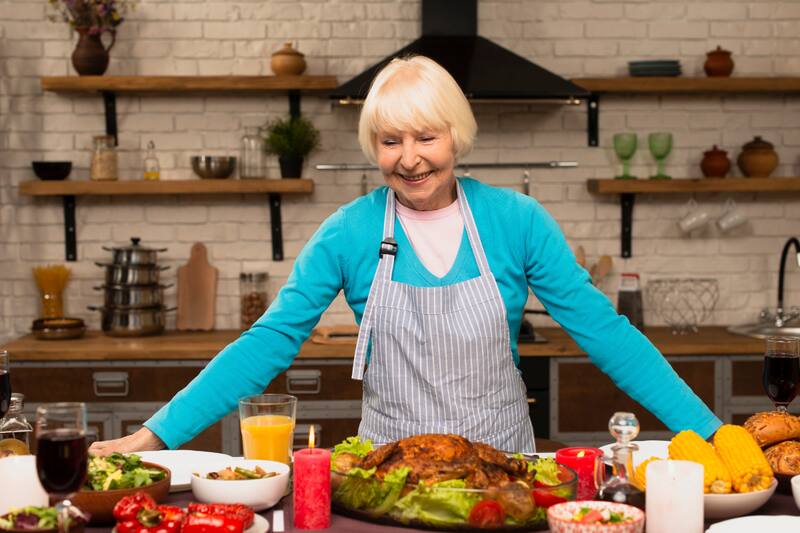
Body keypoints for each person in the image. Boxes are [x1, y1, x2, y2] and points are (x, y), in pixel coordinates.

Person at [90, 56, 721, 455]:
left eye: (427, 136)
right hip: (389, 473)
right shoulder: (348, 232)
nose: (410, 157)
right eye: (391, 140)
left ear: (457, 136)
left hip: (504, 470)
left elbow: (607, 334)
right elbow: (268, 341)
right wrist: (153, 435)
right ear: (373, 145)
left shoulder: (516, 222)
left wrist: (714, 435)